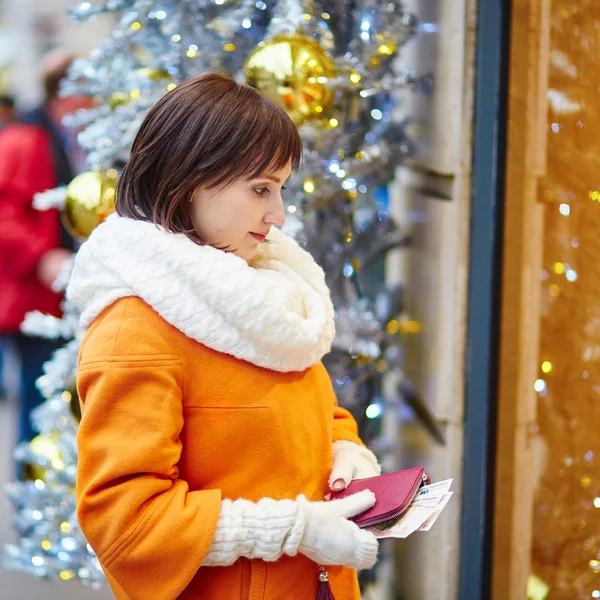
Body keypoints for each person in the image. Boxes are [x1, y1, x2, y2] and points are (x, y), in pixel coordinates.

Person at [67, 73, 381, 600]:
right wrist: (292, 530)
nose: (278, 215)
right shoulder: (135, 329)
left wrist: (346, 449)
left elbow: (314, 409)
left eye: (280, 188)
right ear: (189, 180)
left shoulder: (265, 298)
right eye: (260, 188)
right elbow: (125, 525)